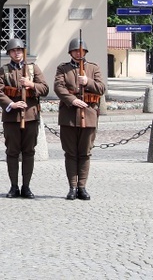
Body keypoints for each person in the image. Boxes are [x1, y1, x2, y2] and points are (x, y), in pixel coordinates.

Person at [0, 38, 49, 199]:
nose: (16, 53)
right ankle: (13, 186)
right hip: (11, 118)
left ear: (23, 52)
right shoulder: (3, 71)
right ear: (9, 53)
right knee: (12, 152)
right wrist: (12, 104)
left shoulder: (33, 69)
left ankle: (26, 186)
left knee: (29, 152)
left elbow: (44, 88)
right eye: (13, 51)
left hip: (31, 116)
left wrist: (31, 85)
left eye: (19, 50)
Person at [53, 37, 106, 201]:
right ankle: (72, 187)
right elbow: (58, 87)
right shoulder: (63, 68)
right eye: (75, 50)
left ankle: (82, 186)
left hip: (89, 114)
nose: (78, 53)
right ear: (70, 52)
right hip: (69, 115)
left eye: (81, 51)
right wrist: (72, 99)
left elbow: (101, 88)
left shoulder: (93, 68)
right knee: (70, 153)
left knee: (85, 153)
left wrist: (87, 81)